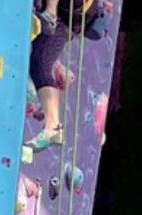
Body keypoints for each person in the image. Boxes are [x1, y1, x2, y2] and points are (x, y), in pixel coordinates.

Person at [28, 0, 109, 151]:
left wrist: (51, 10)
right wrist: (58, 65)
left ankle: (52, 125)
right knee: (41, 62)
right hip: (69, 18)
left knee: (40, 64)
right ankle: (50, 118)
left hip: (67, 17)